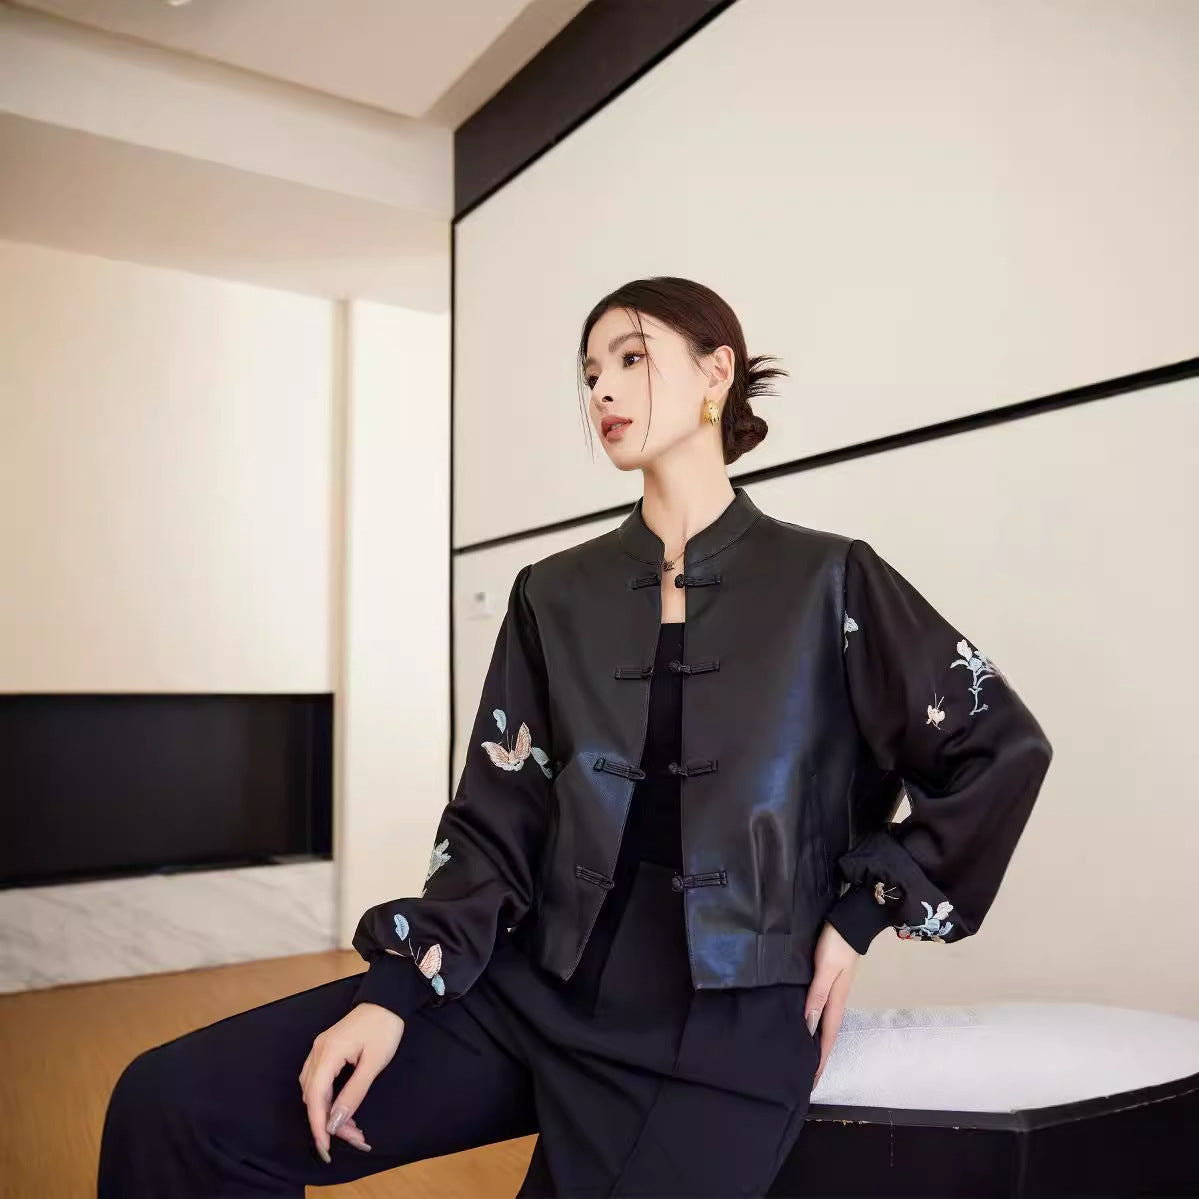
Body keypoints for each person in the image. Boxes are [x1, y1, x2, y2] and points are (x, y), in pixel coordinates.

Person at [98, 277, 1052, 1197]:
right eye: (589, 371)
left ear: (716, 371)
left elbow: (997, 745)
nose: (600, 389)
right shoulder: (551, 593)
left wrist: (859, 915)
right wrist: (395, 990)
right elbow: (493, 819)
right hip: (534, 976)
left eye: (630, 358)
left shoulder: (829, 580)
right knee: (175, 1105)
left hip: (725, 1021)